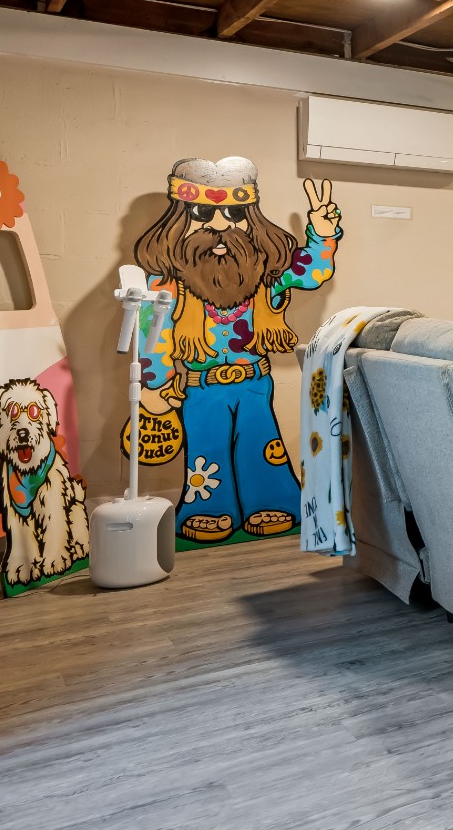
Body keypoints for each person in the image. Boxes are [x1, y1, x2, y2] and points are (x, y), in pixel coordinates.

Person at [131, 157, 342, 545]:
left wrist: (323, 234)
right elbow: (152, 335)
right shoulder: (166, 284)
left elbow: (312, 272)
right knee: (206, 449)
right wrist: (155, 386)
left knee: (262, 445)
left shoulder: (266, 275)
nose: (219, 225)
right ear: (180, 217)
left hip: (254, 381)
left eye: (233, 213)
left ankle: (271, 500)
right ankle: (209, 508)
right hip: (200, 385)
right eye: (202, 213)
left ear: (250, 217)